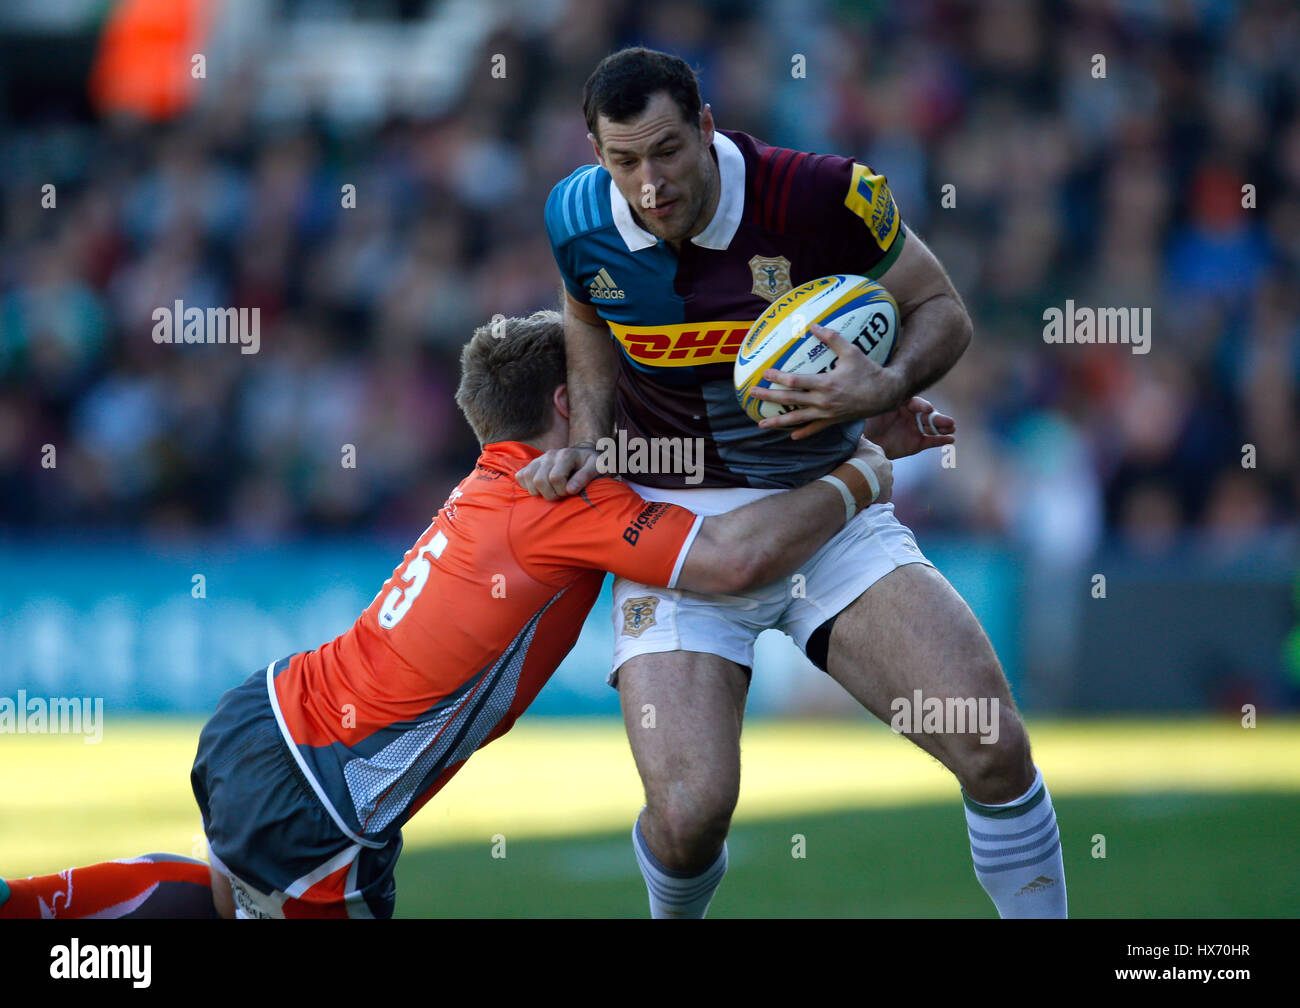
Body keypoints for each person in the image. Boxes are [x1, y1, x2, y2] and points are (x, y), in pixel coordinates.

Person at [0, 309, 947, 919]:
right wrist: (863, 469)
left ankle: (30, 907)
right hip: (331, 795)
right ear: (571, 400)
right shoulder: (561, 503)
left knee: (219, 903)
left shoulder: (499, 481)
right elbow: (738, 556)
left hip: (266, 719)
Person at [521, 46, 1067, 919]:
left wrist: (886, 387)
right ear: (596, 155)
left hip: (827, 510)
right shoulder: (577, 216)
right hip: (674, 532)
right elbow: (584, 306)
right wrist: (589, 437)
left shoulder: (818, 194)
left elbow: (941, 309)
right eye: (622, 161)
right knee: (690, 815)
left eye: (666, 151)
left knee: (992, 747)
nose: (649, 184)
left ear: (706, 126)